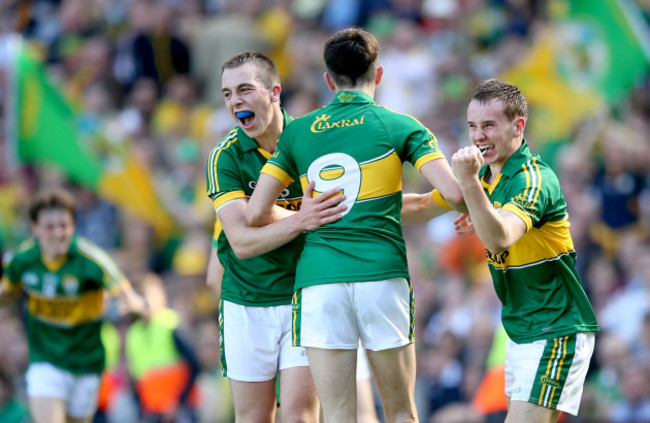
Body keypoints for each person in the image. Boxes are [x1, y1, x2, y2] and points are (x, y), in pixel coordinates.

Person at [247, 28, 465, 423]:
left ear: (329, 81)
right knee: (401, 412)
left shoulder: (298, 131)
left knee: (338, 416)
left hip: (320, 284)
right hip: (382, 276)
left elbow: (257, 212)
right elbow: (453, 193)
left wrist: (305, 217)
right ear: (378, 74)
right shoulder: (401, 125)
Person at [205, 51, 346, 423]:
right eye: (227, 94)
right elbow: (241, 243)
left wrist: (441, 201)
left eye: (245, 89)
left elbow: (348, 206)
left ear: (274, 92)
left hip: (306, 297)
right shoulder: (225, 157)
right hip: (246, 301)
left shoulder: (315, 141)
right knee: (254, 418)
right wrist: (303, 220)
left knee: (300, 416)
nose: (235, 101)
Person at [450, 79, 599, 422]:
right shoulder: (488, 177)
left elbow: (501, 237)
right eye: (472, 126)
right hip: (522, 330)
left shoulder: (533, 179)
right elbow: (424, 205)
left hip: (554, 328)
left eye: (489, 126)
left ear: (518, 126)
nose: (478, 136)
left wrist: (471, 188)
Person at [0, 187, 146, 423]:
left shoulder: (92, 260)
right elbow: (6, 293)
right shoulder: (22, 260)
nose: (58, 233)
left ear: (74, 226)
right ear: (35, 228)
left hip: (85, 363)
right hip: (46, 360)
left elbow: (129, 295)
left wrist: (136, 306)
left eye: (64, 226)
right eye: (49, 227)